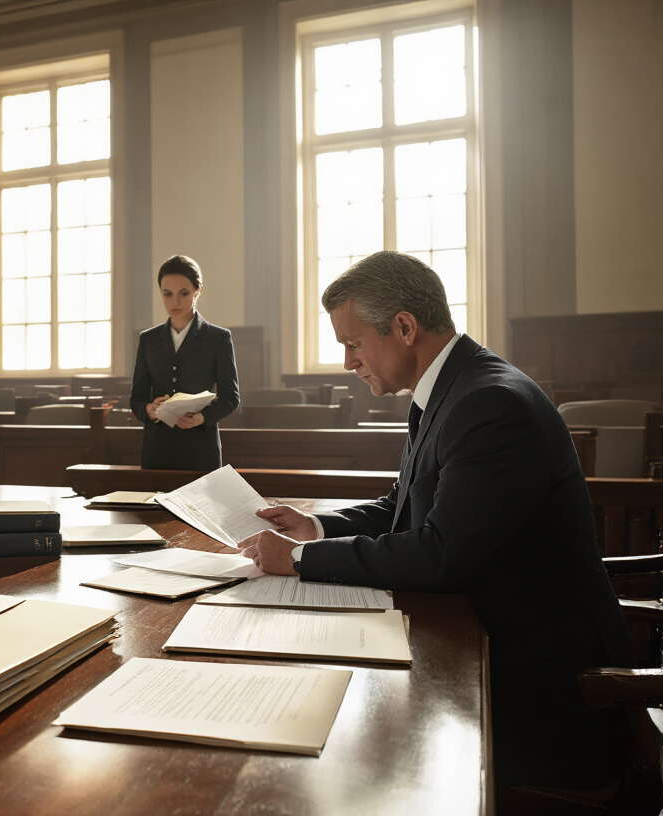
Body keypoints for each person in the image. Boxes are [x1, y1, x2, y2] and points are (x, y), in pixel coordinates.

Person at [238, 251, 632, 792]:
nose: (348, 362)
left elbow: (442, 553)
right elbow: (402, 505)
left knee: (350, 766)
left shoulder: (491, 403)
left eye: (353, 344)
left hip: (545, 690)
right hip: (485, 638)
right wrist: (315, 528)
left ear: (404, 327)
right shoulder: (454, 388)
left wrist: (298, 560)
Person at [130, 255, 240, 471]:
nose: (175, 302)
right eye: (167, 294)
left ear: (197, 291)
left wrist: (201, 418)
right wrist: (150, 411)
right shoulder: (148, 339)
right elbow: (137, 399)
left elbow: (231, 398)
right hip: (157, 449)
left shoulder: (218, 338)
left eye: (184, 293)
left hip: (200, 447)